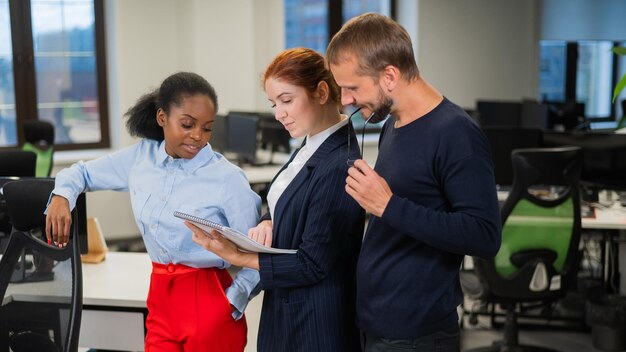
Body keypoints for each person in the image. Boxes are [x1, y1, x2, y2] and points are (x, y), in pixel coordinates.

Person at [45, 72, 261, 352]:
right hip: (160, 296)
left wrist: (234, 299)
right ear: (162, 117)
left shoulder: (228, 178)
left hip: (209, 299)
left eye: (207, 128)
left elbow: (258, 255)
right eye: (187, 124)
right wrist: (62, 195)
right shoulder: (140, 158)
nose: (198, 136)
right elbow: (82, 173)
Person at [326, 13, 502, 352]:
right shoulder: (395, 123)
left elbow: (484, 235)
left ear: (389, 75)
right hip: (377, 323)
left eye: (352, 88)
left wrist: (389, 206)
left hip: (417, 335)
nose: (346, 99)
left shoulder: (457, 134)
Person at [187, 48, 365, 352]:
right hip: (288, 310)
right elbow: (284, 197)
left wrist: (238, 255)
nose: (278, 113)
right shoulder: (310, 144)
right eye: (274, 104)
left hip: (316, 324)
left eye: (286, 100)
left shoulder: (339, 164)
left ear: (321, 92)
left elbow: (312, 264)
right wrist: (267, 219)